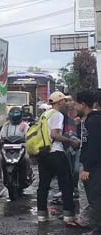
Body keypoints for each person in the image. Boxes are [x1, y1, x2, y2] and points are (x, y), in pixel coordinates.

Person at [36, 91, 81, 225]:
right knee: (66, 183)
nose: (66, 104)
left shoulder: (44, 114)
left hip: (43, 154)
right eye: (64, 101)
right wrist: (70, 141)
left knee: (43, 184)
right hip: (56, 152)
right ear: (59, 102)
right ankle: (68, 215)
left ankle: (42, 215)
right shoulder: (57, 115)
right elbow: (55, 135)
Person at [75, 91, 101, 235]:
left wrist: (87, 168)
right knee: (94, 200)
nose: (75, 106)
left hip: (95, 167)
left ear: (83, 104)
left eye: (76, 103)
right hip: (93, 166)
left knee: (96, 200)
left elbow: (94, 147)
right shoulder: (89, 120)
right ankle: (96, 229)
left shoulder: (94, 121)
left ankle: (98, 234)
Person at [0, 107, 34, 182]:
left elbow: (28, 136)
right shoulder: (6, 125)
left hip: (21, 148)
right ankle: (4, 176)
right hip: (8, 148)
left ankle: (28, 174)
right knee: (2, 159)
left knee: (27, 159)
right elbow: (2, 136)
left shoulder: (25, 125)